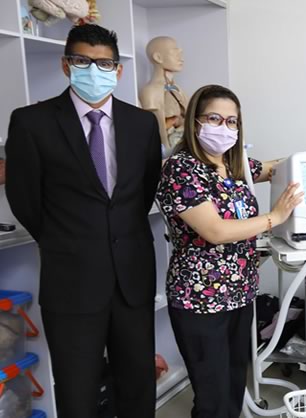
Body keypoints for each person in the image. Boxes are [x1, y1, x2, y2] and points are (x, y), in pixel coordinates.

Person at [5, 24, 161, 418]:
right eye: (82, 61)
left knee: (138, 384)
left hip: (131, 276)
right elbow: (24, 198)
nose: (94, 70)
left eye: (104, 63)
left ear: (118, 70)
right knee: (77, 390)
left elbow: (144, 191)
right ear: (66, 65)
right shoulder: (31, 122)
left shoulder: (142, 124)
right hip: (70, 278)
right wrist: (68, 239)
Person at [155, 84, 301, 418]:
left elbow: (274, 166)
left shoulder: (235, 167)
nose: (225, 128)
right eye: (215, 119)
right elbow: (215, 231)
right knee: (213, 397)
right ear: (196, 122)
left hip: (240, 294)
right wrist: (274, 218)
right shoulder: (181, 169)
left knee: (234, 388)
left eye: (232, 122)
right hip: (199, 300)